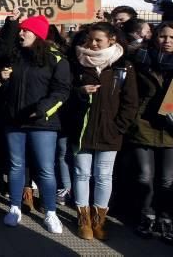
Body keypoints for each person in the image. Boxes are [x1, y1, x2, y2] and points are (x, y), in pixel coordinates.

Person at [0, 12, 71, 234]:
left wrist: (43, 109)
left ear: (37, 34)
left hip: (42, 123)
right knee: (16, 166)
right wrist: (11, 23)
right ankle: (15, 207)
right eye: (20, 29)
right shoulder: (15, 55)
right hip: (14, 121)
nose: (21, 33)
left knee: (45, 169)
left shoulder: (56, 59)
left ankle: (51, 212)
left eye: (25, 30)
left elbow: (62, 91)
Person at [68, 22, 138, 240]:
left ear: (112, 40)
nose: (93, 44)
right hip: (83, 130)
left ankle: (99, 220)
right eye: (90, 39)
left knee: (104, 176)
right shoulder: (77, 62)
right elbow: (64, 92)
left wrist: (118, 127)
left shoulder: (123, 67)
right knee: (81, 174)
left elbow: (130, 102)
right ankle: (84, 219)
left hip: (110, 133)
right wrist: (79, 91)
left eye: (98, 40)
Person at [130, 21, 173, 242]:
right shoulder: (142, 59)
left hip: (171, 130)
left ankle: (166, 218)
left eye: (172, 38)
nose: (167, 41)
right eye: (163, 36)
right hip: (144, 125)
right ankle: (146, 215)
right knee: (145, 176)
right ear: (155, 37)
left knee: (167, 180)